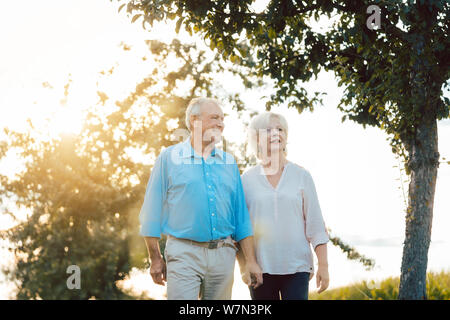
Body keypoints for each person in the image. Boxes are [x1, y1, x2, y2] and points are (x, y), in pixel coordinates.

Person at [139, 97, 263, 300]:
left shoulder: (229, 163)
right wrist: (155, 258)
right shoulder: (169, 158)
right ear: (194, 120)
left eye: (222, 119)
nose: (221, 123)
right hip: (183, 252)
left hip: (223, 255)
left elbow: (241, 218)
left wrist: (250, 261)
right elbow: (150, 212)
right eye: (214, 117)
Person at [238, 111, 330, 300]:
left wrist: (323, 265)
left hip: (297, 267)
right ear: (256, 138)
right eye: (268, 130)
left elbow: (315, 224)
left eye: (280, 129)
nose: (276, 133)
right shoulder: (245, 180)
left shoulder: (302, 176)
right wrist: (247, 264)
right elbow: (241, 228)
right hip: (260, 269)